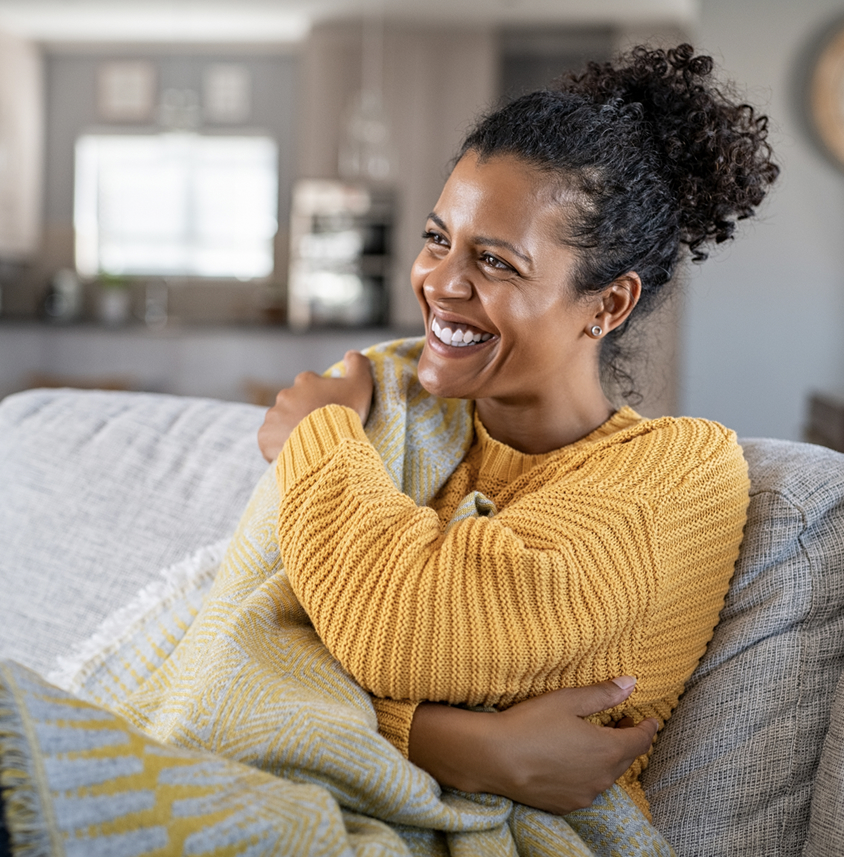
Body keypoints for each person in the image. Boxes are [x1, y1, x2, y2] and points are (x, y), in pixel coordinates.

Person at [257, 44, 779, 819]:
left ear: (606, 305)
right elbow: (244, 632)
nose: (441, 282)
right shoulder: (399, 404)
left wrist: (318, 434)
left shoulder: (682, 473)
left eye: (494, 261)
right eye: (438, 239)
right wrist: (463, 744)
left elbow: (399, 626)